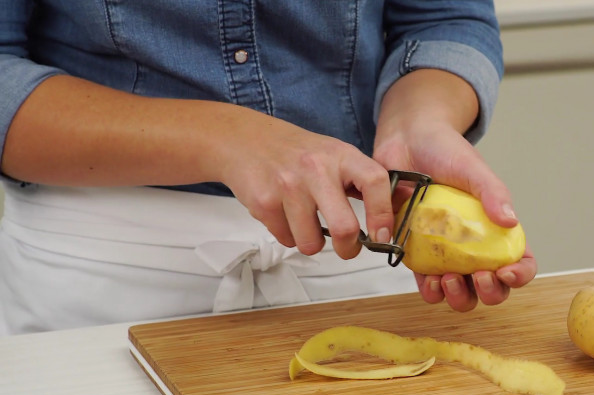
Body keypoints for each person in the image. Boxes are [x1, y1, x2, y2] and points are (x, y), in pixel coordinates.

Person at [0, 1, 537, 335]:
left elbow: (444, 17)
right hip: (105, 291)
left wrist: (417, 124)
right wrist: (225, 136)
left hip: (357, 257)